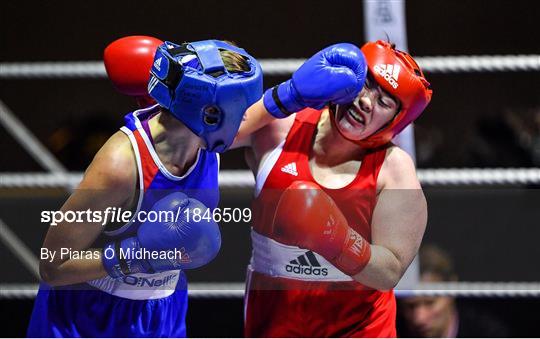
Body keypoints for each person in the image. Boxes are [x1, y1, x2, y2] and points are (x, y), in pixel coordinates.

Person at [27, 38, 262, 337]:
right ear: (211, 113)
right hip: (91, 314)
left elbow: (268, 114)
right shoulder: (120, 166)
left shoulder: (207, 137)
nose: (247, 116)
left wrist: (293, 95)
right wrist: (138, 255)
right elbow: (53, 266)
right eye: (241, 107)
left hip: (163, 307)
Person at [233, 40, 432, 337]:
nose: (366, 101)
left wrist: (339, 240)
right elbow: (210, 136)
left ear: (396, 120)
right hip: (273, 326)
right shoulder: (283, 127)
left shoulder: (394, 170)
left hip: (359, 330)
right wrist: (287, 95)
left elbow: (389, 271)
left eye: (384, 101)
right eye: (365, 84)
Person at [399, 245, 509, 337]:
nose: (419, 318)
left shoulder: (488, 334)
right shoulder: (391, 332)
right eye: (410, 306)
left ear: (452, 289)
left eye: (430, 303)